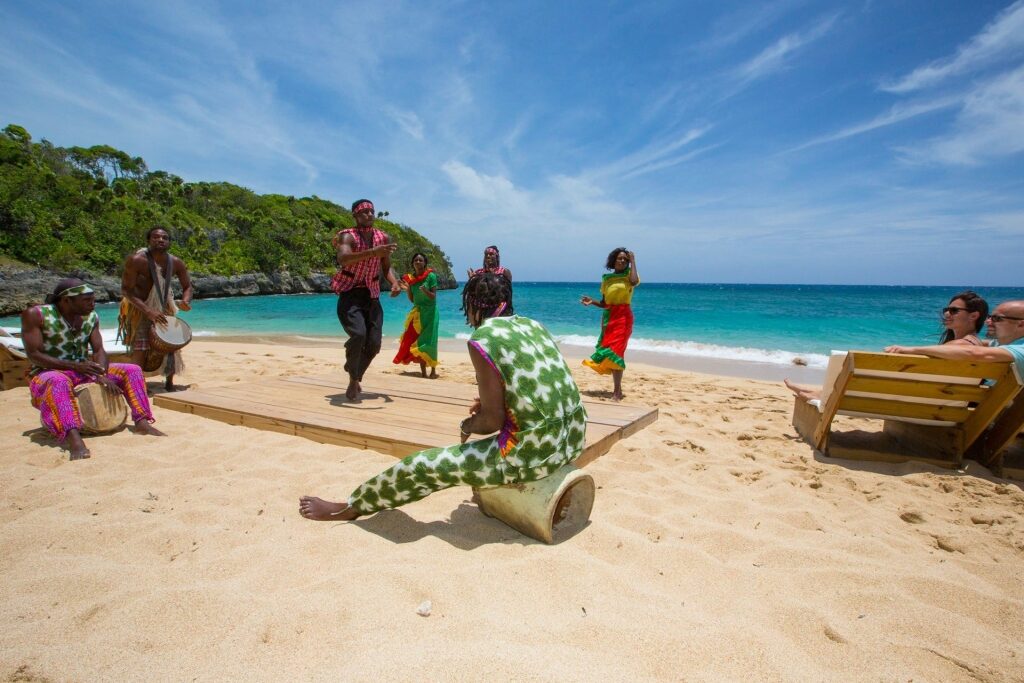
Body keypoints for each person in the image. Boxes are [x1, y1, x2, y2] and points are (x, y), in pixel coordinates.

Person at [299, 272, 587, 522]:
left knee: (423, 466)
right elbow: (538, 384)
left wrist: (468, 426)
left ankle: (351, 507)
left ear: (472, 306)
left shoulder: (483, 337)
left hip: (533, 454)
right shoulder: (534, 325)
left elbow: (492, 421)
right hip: (573, 438)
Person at [22, 278, 164, 460]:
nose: (93, 303)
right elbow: (34, 355)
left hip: (84, 370)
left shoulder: (91, 317)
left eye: (93, 299)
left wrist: (101, 374)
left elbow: (99, 350)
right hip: (46, 372)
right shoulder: (36, 315)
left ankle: (142, 422)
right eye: (86, 300)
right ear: (66, 301)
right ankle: (74, 440)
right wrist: (75, 366)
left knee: (132, 370)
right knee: (58, 381)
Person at [785, 291, 991, 401]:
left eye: (954, 311)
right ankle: (818, 392)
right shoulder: (979, 344)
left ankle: (819, 394)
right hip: (939, 401)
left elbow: (963, 351)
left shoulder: (965, 347)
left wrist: (911, 349)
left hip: (920, 401)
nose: (947, 314)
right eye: (947, 309)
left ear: (974, 316)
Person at [332, 198, 401, 400]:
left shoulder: (383, 237)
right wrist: (372, 252)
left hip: (372, 295)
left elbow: (386, 266)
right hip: (350, 294)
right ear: (355, 215)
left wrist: (394, 282)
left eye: (371, 211)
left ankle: (355, 375)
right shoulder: (348, 237)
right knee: (358, 335)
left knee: (374, 344)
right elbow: (343, 259)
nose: (369, 214)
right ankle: (354, 378)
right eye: (364, 212)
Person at [118, 226, 193, 392]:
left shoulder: (175, 262)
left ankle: (169, 382)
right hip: (139, 306)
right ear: (148, 240)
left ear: (169, 242)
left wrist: (186, 301)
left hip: (164, 305)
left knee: (171, 344)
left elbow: (187, 286)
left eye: (165, 238)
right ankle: (137, 385)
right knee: (140, 346)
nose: (160, 240)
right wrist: (148, 311)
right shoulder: (137, 260)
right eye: (156, 237)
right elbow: (126, 290)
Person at [884, 300, 1024, 371]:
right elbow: (981, 345)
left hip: (990, 415)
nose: (988, 321)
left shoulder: (1020, 350)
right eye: (989, 317)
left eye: (997, 319)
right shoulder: (1001, 345)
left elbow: (975, 353)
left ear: (1021, 324)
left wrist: (911, 350)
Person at [580, 248, 640, 401]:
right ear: (613, 260)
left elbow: (634, 282)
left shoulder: (629, 276)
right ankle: (617, 390)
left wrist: (633, 261)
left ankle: (617, 392)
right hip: (609, 317)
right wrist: (592, 301)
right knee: (610, 351)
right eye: (620, 258)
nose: (622, 261)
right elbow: (604, 303)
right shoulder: (607, 279)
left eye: (625, 260)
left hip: (623, 318)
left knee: (617, 352)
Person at [393, 252, 440, 378]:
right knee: (415, 340)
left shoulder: (431, 276)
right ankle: (423, 372)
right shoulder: (411, 280)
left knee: (429, 341)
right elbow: (413, 300)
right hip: (417, 313)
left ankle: (433, 370)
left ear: (425, 263)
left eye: (420, 260)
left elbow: (433, 297)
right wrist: (408, 289)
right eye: (416, 260)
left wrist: (425, 291)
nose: (418, 262)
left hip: (430, 313)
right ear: (412, 263)